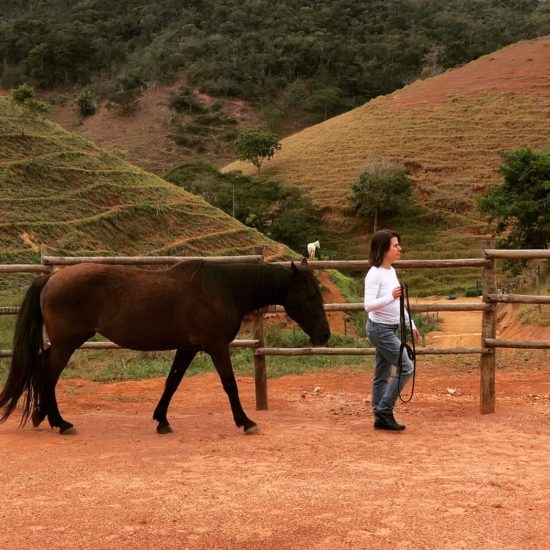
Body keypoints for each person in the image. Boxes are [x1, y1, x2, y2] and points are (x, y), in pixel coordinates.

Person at [364, 229, 420, 431]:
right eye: (395, 245)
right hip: (380, 329)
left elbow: (398, 304)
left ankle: (380, 416)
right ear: (384, 249)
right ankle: (385, 410)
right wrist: (390, 296)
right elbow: (368, 305)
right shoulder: (374, 275)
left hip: (389, 329)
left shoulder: (391, 271)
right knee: (407, 367)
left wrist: (410, 324)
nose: (399, 249)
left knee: (382, 374)